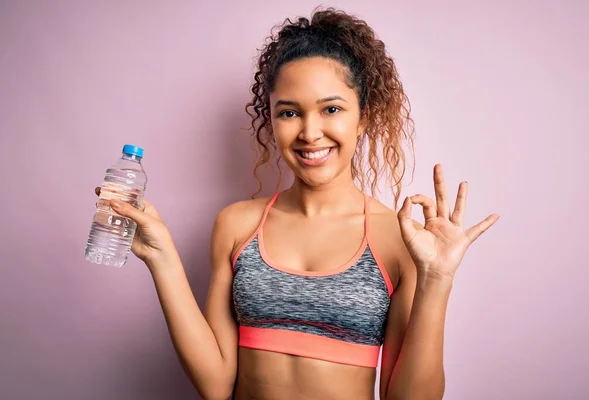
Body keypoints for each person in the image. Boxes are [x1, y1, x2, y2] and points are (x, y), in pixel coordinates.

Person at [100, 7, 499, 400]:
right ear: (270, 121)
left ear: (363, 117)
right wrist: (161, 257)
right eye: (289, 112)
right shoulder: (236, 225)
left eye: (331, 109)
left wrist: (436, 281)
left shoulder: (398, 238)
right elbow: (216, 386)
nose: (310, 132)